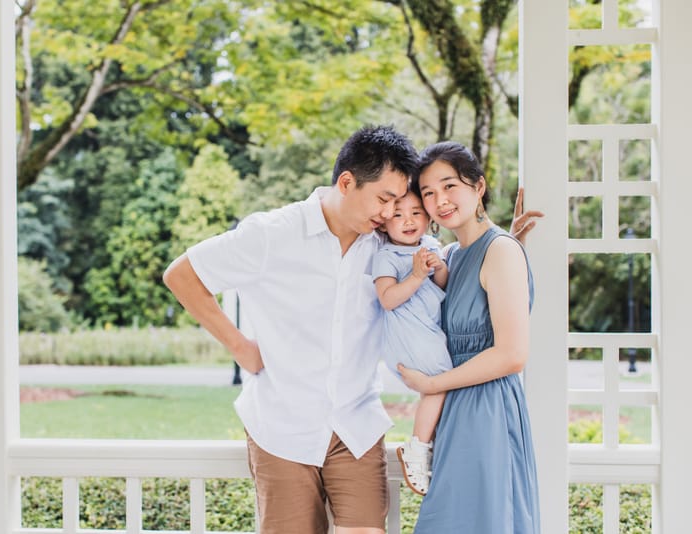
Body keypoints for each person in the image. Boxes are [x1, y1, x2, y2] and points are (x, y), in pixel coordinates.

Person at [163, 124, 418, 534]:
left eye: (397, 202)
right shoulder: (273, 233)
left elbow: (449, 263)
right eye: (384, 199)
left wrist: (501, 240)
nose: (390, 213)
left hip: (356, 425)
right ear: (346, 182)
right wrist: (241, 348)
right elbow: (182, 275)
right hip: (282, 426)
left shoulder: (388, 245)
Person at [398, 141, 541, 533]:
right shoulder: (450, 257)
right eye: (428, 193)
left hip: (487, 409)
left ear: (478, 186)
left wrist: (432, 384)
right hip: (453, 409)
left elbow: (512, 354)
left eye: (449, 186)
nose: (439, 201)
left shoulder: (500, 250)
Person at [371, 188, 451, 496]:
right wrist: (416, 275)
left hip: (428, 331)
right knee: (440, 382)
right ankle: (417, 448)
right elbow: (387, 299)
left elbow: (442, 285)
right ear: (384, 223)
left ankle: (428, 444)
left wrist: (439, 267)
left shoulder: (430, 245)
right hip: (407, 335)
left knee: (440, 387)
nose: (408, 221)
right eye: (398, 215)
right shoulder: (387, 256)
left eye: (416, 213)